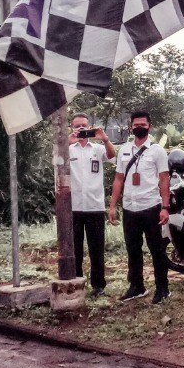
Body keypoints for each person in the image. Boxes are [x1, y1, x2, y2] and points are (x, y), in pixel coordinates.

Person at [108, 110, 172, 304]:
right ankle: (137, 286)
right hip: (130, 208)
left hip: (151, 206)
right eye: (136, 124)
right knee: (133, 250)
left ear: (149, 126)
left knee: (156, 250)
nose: (139, 127)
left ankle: (163, 288)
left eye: (143, 124)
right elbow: (119, 178)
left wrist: (165, 207)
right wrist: (112, 206)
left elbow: (164, 180)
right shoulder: (124, 150)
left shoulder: (157, 151)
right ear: (130, 126)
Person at [68, 113, 116, 297]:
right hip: (74, 207)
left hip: (94, 206)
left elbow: (112, 155)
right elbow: (56, 160)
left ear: (90, 127)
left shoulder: (96, 148)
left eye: (84, 126)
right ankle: (77, 282)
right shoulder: (68, 149)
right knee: (75, 248)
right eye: (77, 126)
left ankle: (98, 286)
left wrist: (105, 139)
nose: (80, 129)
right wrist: (67, 142)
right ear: (72, 128)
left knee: (96, 248)